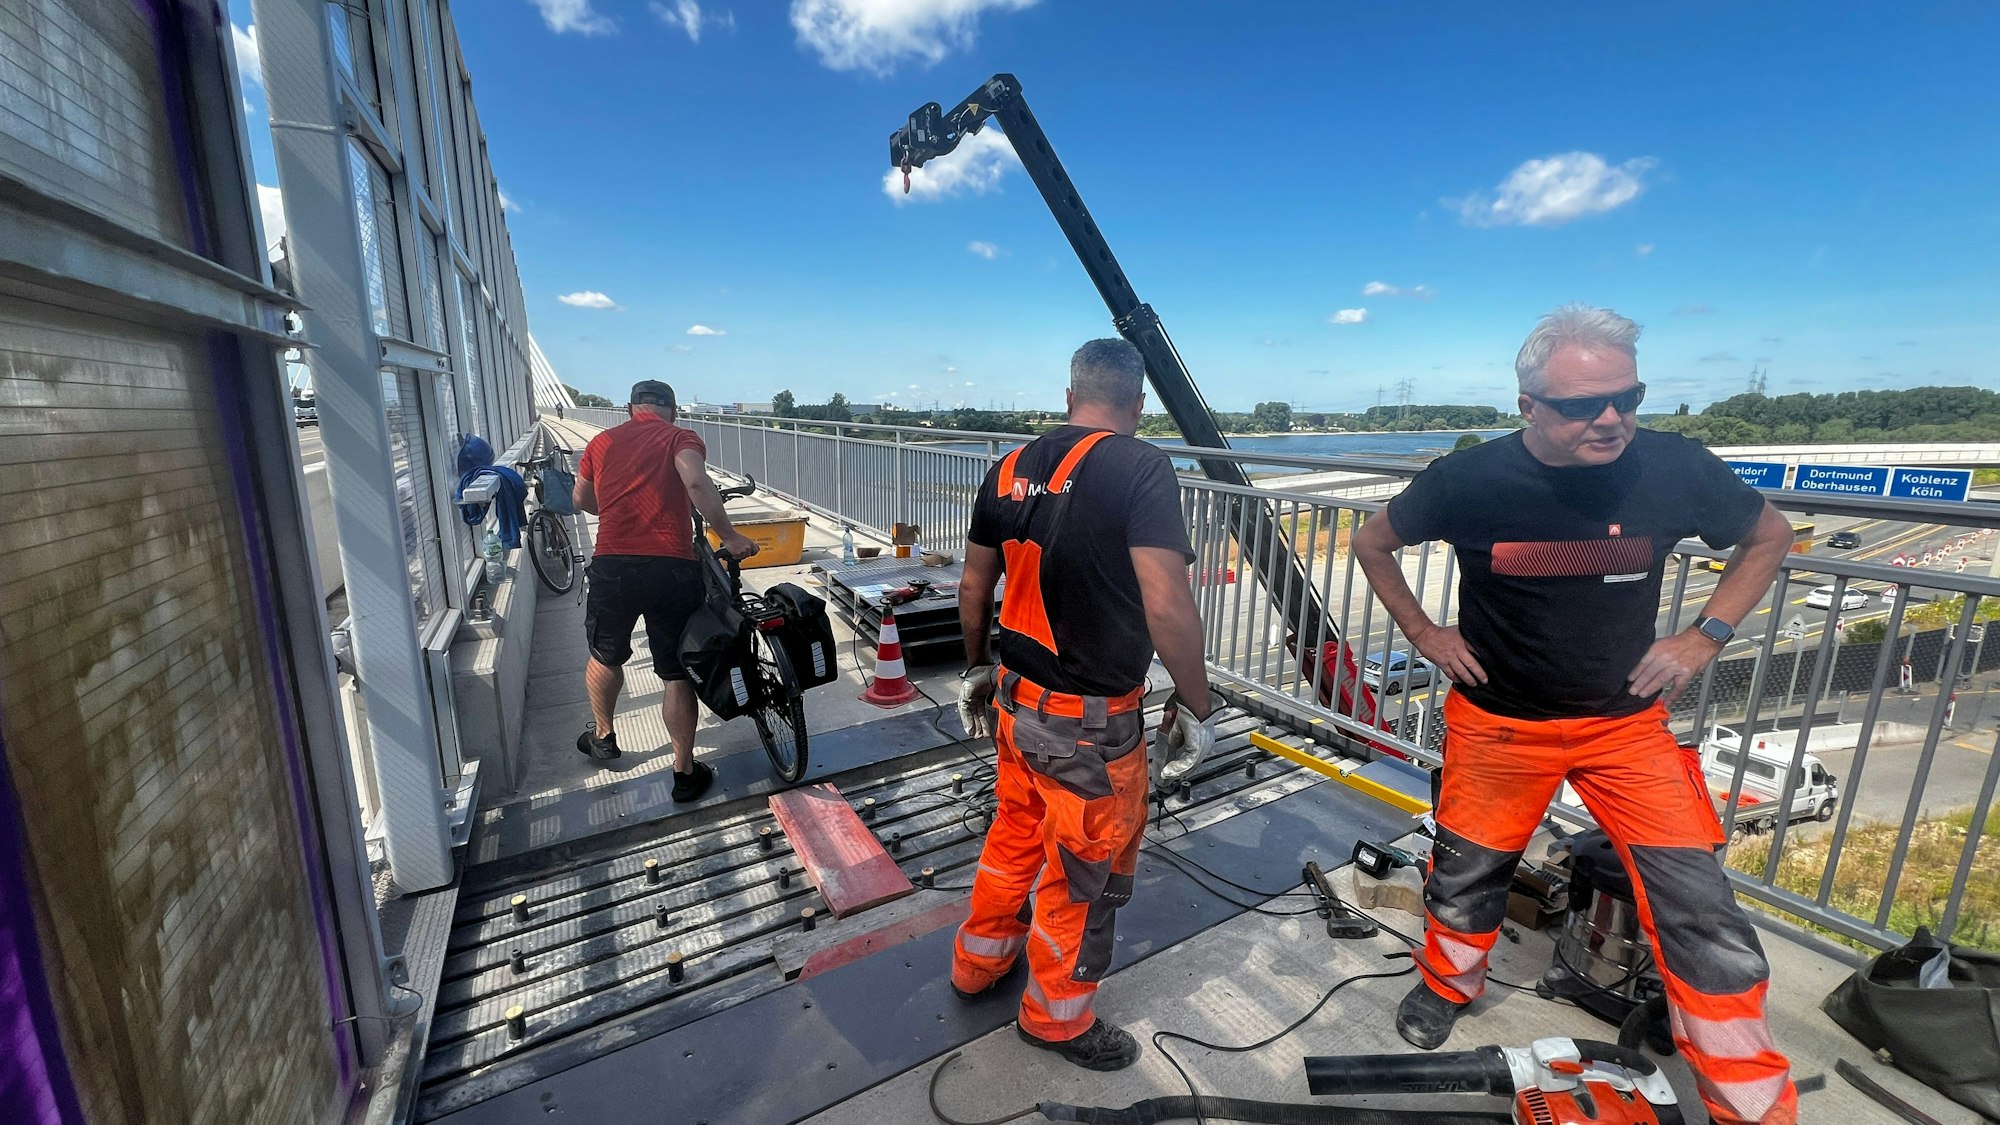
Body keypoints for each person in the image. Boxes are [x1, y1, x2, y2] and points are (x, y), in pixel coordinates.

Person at [1352, 304, 1800, 1125]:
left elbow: (1770, 537)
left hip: (1625, 726)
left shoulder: (1675, 467)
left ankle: (1751, 1105)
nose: (1612, 418)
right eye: (1584, 405)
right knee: (1466, 872)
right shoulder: (1469, 479)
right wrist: (1424, 632)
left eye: (1629, 398)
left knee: (1699, 905)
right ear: (1528, 406)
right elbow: (1372, 543)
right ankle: (1447, 983)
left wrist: (1704, 635)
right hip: (1498, 723)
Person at [950, 339, 1220, 1071]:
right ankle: (1056, 1019)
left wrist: (976, 666)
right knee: (1083, 874)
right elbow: (1167, 604)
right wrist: (1198, 706)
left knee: (1014, 835)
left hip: (1015, 705)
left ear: (1069, 396)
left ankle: (978, 964)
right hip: (1089, 729)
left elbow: (973, 586)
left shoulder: (1008, 466)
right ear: (1139, 403)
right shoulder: (1141, 466)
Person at [573, 380, 757, 800]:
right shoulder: (679, 437)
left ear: (630, 408)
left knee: (605, 653)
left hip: (613, 565)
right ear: (672, 411)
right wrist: (729, 535)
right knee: (675, 670)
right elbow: (696, 483)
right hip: (671, 567)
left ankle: (603, 736)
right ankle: (684, 773)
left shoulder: (602, 442)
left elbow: (581, 499)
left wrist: (616, 509)